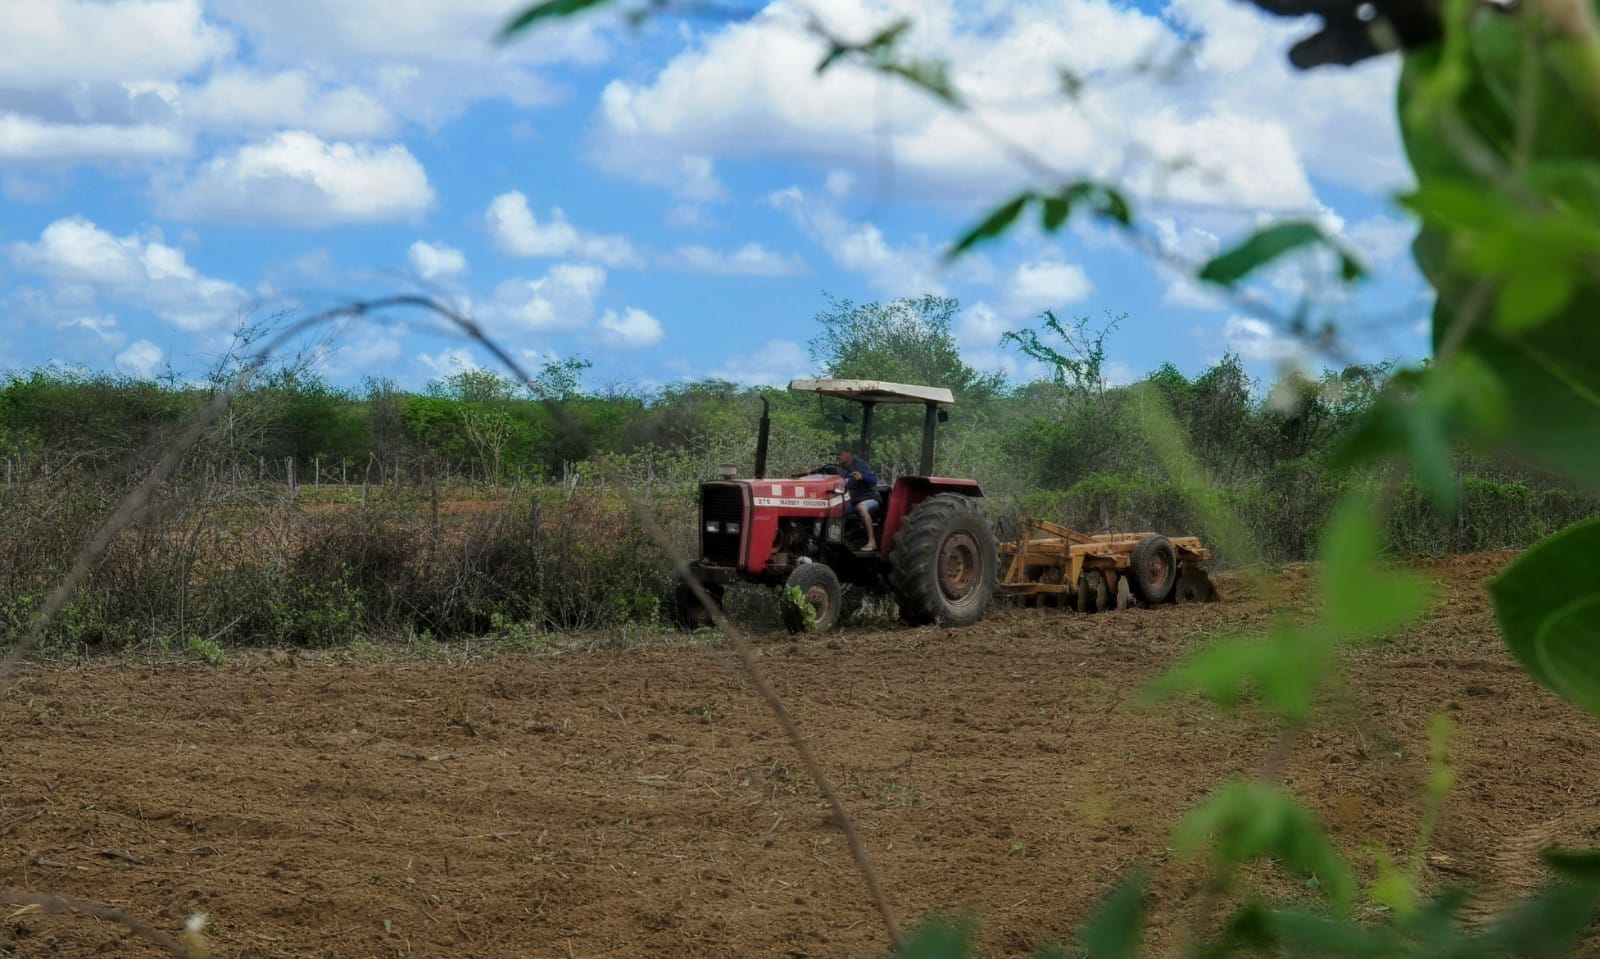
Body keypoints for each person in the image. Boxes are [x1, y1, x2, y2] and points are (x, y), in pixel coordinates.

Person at [821, 447, 881, 550]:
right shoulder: (839, 468)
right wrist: (811, 471)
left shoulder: (861, 465)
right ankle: (833, 541)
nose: (837, 457)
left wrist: (862, 477)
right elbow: (824, 469)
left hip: (869, 499)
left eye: (839, 454)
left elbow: (874, 480)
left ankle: (872, 542)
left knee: (861, 508)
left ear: (849, 453)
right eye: (836, 455)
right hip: (852, 501)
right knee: (834, 509)